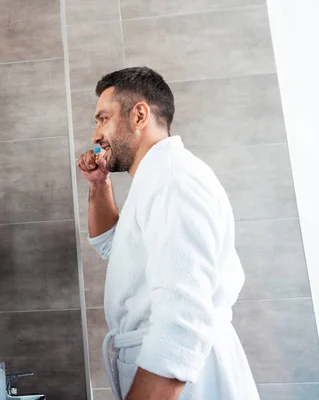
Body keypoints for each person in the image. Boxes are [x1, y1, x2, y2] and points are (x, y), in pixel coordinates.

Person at [77, 67, 258, 400]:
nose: (95, 135)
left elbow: (182, 320)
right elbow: (111, 246)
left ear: (139, 115)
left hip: (185, 382)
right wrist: (99, 184)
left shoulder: (173, 181)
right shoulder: (154, 179)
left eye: (103, 118)